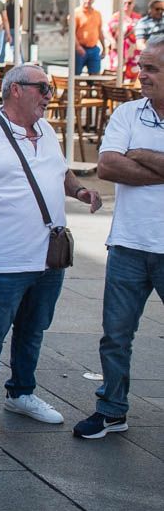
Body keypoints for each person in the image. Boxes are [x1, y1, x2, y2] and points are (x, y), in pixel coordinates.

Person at [0, 64, 102, 434]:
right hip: (4, 257)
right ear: (15, 90)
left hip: (48, 257)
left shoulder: (46, 131)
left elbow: (60, 171)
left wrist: (78, 191)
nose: (50, 96)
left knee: (33, 329)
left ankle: (21, 393)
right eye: (44, 88)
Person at [79, 38, 164, 439]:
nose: (141, 75)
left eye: (151, 69)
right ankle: (112, 410)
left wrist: (139, 152)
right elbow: (108, 165)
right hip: (129, 244)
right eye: (142, 66)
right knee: (116, 335)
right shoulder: (129, 112)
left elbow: (124, 159)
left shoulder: (131, 123)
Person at [105, 0, 142, 82]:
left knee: (133, 73)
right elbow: (107, 31)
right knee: (116, 73)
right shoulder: (116, 16)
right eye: (124, 2)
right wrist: (112, 41)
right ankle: (116, 94)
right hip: (119, 49)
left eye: (129, 3)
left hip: (133, 51)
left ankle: (130, 94)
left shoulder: (137, 17)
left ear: (133, 4)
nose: (127, 5)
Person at [74, 0, 103, 76]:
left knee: (95, 75)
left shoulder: (97, 13)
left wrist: (104, 47)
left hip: (93, 49)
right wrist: (78, 47)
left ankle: (91, 89)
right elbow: (72, 33)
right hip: (80, 49)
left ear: (93, 0)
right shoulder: (76, 13)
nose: (88, 1)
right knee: (76, 75)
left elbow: (100, 31)